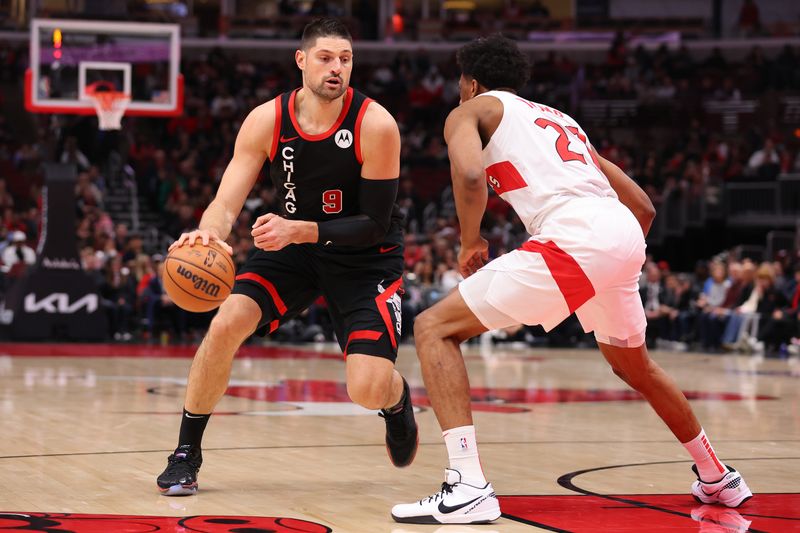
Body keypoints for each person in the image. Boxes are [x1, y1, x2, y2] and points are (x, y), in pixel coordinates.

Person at [391, 35, 752, 525]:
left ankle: (468, 485)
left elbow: (471, 176)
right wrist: (613, 262)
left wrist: (470, 241)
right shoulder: (562, 121)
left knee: (434, 327)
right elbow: (643, 207)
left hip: (577, 235)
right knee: (636, 367)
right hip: (619, 234)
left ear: (470, 82)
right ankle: (718, 477)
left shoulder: (469, 111)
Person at [156, 18, 417, 496]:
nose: (336, 68)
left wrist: (302, 228)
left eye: (345, 59)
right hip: (295, 250)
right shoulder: (267, 119)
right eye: (325, 57)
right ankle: (185, 452)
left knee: (366, 388)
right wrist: (207, 235)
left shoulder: (375, 124)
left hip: (364, 258)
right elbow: (226, 201)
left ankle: (397, 401)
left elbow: (374, 224)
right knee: (226, 321)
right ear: (301, 60)